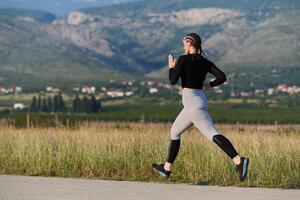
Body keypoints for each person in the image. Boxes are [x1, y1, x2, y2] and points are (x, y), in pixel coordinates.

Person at [152, 32, 249, 182]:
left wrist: (171, 67)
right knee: (175, 131)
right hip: (199, 100)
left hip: (191, 103)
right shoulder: (205, 62)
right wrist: (208, 85)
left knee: (212, 133)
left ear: (190, 43)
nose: (183, 46)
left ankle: (239, 161)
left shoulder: (183, 60)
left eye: (184, 43)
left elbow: (172, 80)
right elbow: (222, 77)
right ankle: (166, 168)